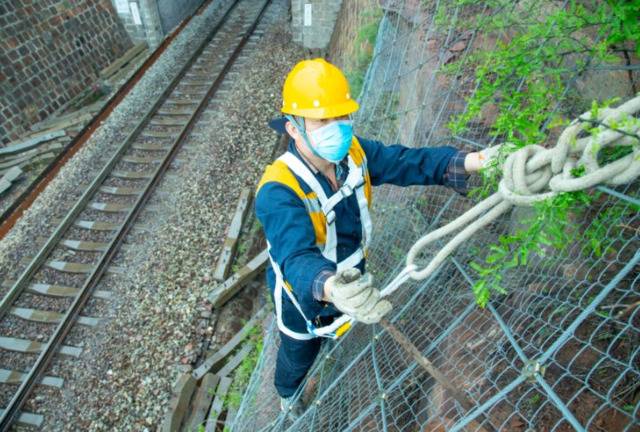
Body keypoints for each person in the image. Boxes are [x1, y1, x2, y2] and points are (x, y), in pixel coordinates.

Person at [255, 58, 490, 417]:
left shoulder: (354, 154)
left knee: (341, 331)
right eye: (323, 121)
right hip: (304, 295)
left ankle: (331, 338)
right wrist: (330, 287)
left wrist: (475, 161)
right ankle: (289, 394)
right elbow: (296, 257)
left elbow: (405, 162)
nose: (336, 128)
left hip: (350, 277)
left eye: (342, 117)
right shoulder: (278, 189)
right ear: (293, 128)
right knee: (298, 349)